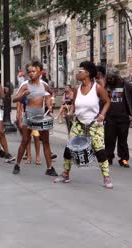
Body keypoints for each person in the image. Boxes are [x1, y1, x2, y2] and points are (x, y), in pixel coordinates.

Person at [54, 61, 113, 189]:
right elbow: (74, 105)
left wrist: (102, 114)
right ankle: (65, 174)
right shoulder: (76, 89)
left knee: (100, 152)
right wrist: (70, 113)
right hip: (79, 124)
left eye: (80, 71)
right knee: (69, 149)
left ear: (87, 73)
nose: (78, 73)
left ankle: (106, 177)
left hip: (94, 124)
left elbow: (107, 102)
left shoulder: (97, 88)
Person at [12, 61, 58, 176]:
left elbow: (51, 93)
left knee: (46, 142)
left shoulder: (44, 85)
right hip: (28, 116)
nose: (31, 74)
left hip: (41, 117)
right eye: (29, 72)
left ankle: (49, 168)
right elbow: (14, 100)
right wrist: (23, 95)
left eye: (33, 71)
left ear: (39, 72)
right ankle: (17, 164)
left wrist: (50, 103)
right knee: (25, 141)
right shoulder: (25, 85)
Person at [104, 68, 132, 168]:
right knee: (109, 139)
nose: (110, 80)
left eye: (112, 78)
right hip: (110, 118)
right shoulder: (106, 86)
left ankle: (123, 160)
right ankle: (108, 158)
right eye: (109, 78)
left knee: (123, 140)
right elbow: (102, 101)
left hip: (123, 118)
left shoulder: (126, 85)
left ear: (117, 77)